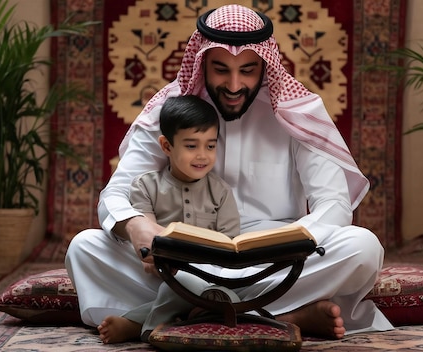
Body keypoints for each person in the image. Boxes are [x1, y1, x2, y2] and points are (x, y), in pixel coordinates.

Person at [65, 4, 394, 345]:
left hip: (276, 261)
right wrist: (140, 228)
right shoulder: (174, 109)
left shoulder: (297, 111)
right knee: (84, 248)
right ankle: (277, 315)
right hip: (184, 259)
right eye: (221, 69)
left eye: (248, 70)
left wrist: (293, 241)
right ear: (202, 61)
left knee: (362, 247)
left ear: (265, 65)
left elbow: (335, 203)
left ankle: (188, 312)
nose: (235, 85)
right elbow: (116, 193)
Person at [125, 94, 240, 341]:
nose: (203, 155)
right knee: (84, 246)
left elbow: (230, 245)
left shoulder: (221, 192)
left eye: (210, 146)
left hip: (212, 273)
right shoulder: (145, 186)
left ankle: (138, 322)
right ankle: (204, 311)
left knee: (232, 290)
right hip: (163, 271)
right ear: (166, 146)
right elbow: (147, 238)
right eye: (191, 146)